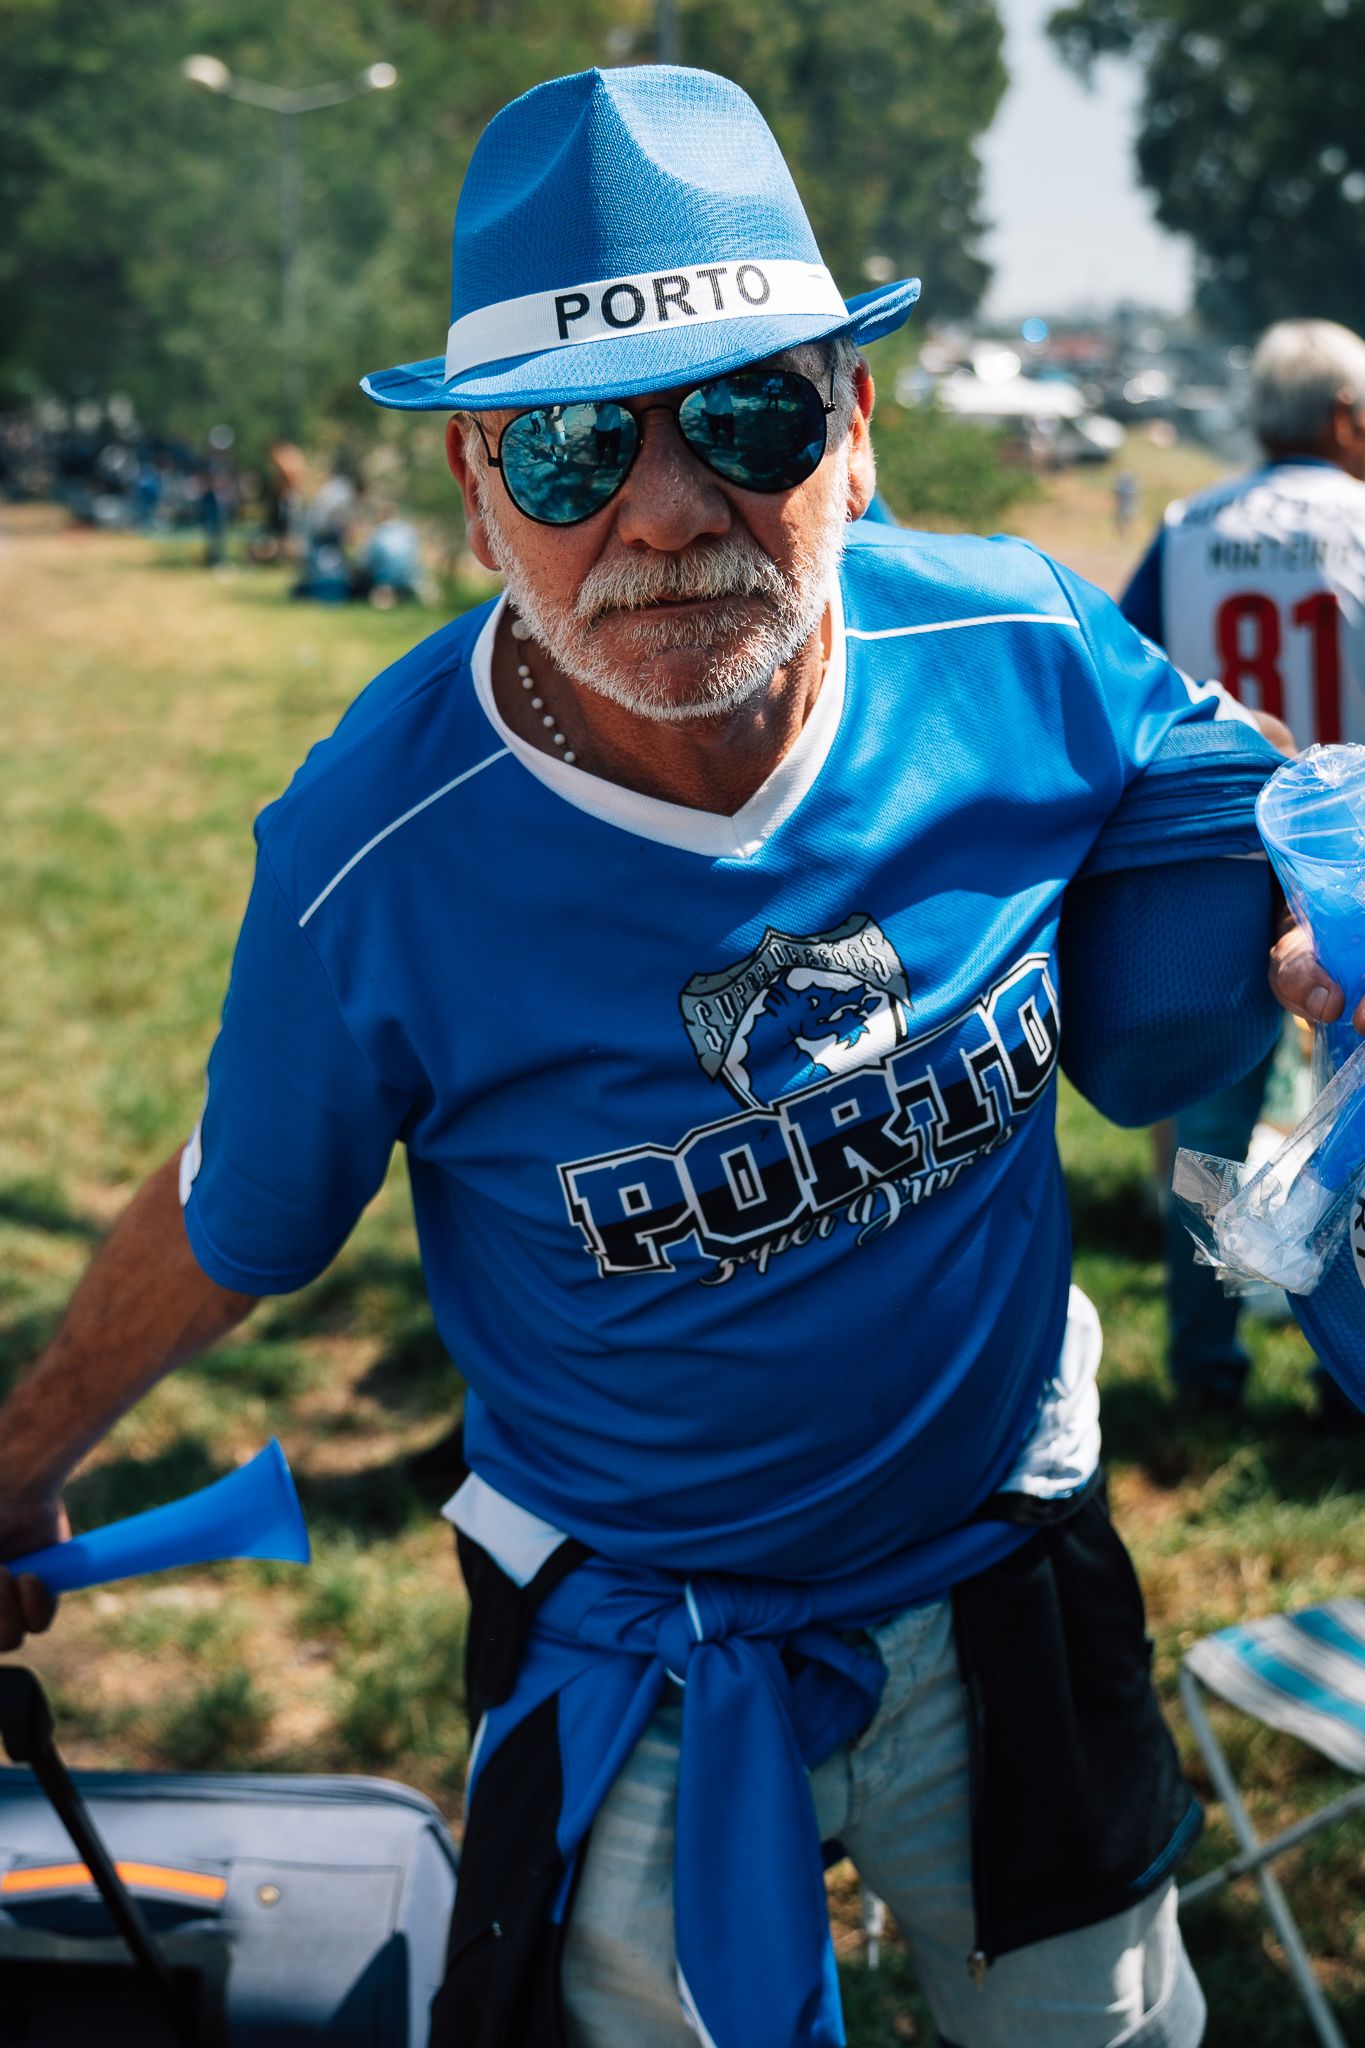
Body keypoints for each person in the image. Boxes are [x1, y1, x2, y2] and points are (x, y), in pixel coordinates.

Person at [0, 66, 1354, 2048]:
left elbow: (1277, 819)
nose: (662, 507)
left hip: (1001, 1572)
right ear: (472, 493)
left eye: (745, 413)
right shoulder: (370, 859)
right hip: (633, 1654)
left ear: (855, 428)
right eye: (564, 446)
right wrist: (21, 1457)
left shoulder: (1031, 656)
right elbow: (238, 1215)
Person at [1122, 318, 1365, 1414]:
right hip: (1353, 870)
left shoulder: (1185, 527)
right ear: (1348, 421)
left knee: (1210, 1126)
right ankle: (1338, 1363)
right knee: (1351, 1126)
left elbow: (1126, 681)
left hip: (1221, 859)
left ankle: (1202, 1367)